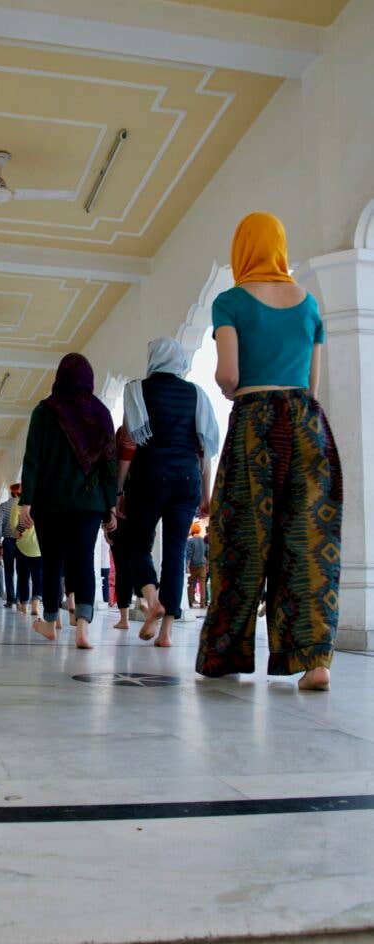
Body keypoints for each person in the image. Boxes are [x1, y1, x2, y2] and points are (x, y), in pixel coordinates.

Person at [196, 211, 342, 691]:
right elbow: (312, 383)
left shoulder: (230, 301)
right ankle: (314, 660)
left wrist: (228, 389)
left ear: (244, 248)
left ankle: (225, 656)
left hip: (256, 423)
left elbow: (229, 375)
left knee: (240, 541)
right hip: (306, 425)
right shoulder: (309, 306)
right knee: (307, 540)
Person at [123, 337, 219, 648]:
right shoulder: (197, 394)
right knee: (175, 552)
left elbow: (129, 444)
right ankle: (166, 633)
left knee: (137, 542)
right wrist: (206, 494)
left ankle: (151, 598)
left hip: (149, 476)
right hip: (187, 478)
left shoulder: (137, 389)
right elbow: (205, 449)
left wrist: (118, 489)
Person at [19, 353, 117, 649]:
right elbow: (108, 463)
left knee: (52, 562)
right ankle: (83, 629)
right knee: (83, 560)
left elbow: (32, 459)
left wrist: (26, 502)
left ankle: (50, 623)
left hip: (51, 501)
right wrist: (110, 503)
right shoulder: (100, 413)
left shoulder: (45, 411)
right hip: (89, 502)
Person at [108, 426, 137, 630]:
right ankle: (144, 601)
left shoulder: (122, 434)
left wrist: (106, 523)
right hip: (142, 510)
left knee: (121, 566)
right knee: (140, 557)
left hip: (119, 513)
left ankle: (125, 618)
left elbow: (109, 482)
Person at [10, 500, 43, 617]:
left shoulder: (17, 504)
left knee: (23, 576)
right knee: (38, 576)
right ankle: (35, 605)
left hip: (22, 546)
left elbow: (14, 528)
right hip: (39, 547)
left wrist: (20, 528)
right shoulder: (43, 501)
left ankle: (24, 606)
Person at [0, 484, 21, 607]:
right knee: (22, 571)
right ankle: (19, 599)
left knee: (9, 571)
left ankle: (10, 600)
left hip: (9, 542)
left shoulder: (3, 506)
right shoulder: (24, 506)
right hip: (22, 541)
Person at [186, 522, 207, 609]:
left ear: (192, 530)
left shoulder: (190, 541)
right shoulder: (204, 541)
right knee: (202, 585)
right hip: (202, 565)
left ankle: (190, 602)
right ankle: (203, 603)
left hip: (193, 566)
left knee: (190, 584)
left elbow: (189, 555)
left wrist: (187, 566)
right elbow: (207, 553)